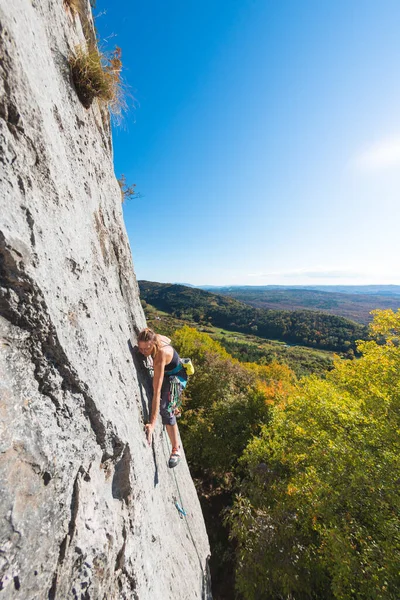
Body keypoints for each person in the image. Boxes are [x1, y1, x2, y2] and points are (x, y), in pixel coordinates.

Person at [137, 327, 187, 468]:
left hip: (177, 377)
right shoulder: (155, 337)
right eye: (140, 348)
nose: (143, 352)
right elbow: (168, 339)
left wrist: (152, 425)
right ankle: (175, 405)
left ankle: (176, 450)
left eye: (146, 349)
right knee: (166, 398)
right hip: (168, 372)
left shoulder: (160, 356)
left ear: (153, 344)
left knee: (165, 408)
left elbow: (156, 392)